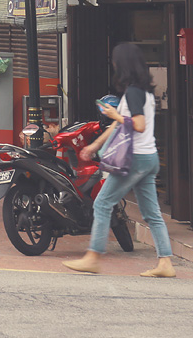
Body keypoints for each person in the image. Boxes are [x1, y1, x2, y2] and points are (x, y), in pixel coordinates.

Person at [64, 42, 175, 277]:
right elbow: (118, 124)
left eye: (115, 61)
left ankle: (93, 257)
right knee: (152, 213)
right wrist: (94, 145)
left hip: (134, 159)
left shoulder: (133, 93)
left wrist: (114, 114)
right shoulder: (142, 92)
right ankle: (165, 263)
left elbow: (138, 124)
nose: (113, 65)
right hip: (148, 158)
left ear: (122, 64)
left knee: (103, 203)